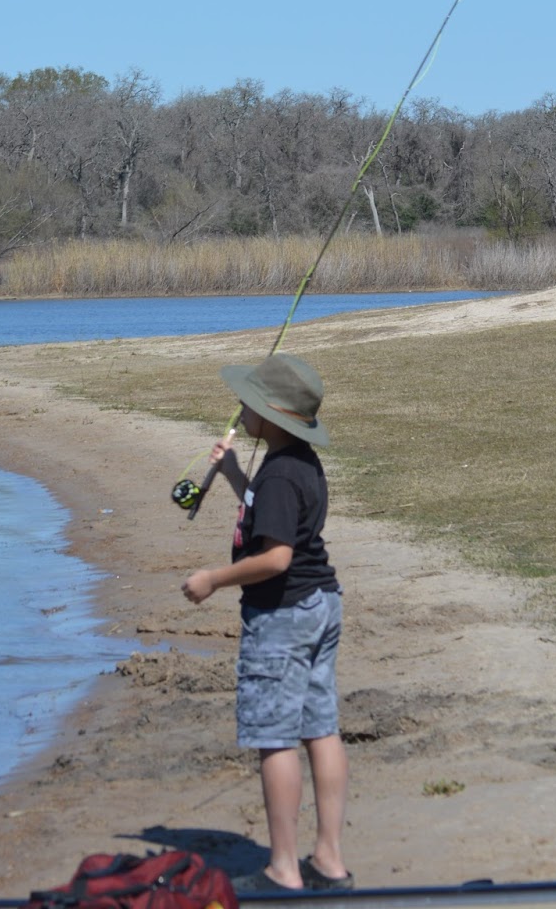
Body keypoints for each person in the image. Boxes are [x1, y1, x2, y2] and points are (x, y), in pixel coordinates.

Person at [182, 353, 351, 896]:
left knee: (275, 738)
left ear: (272, 417)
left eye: (250, 404)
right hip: (321, 603)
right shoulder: (297, 463)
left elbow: (276, 556)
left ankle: (283, 869)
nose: (241, 410)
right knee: (319, 728)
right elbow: (272, 517)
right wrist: (234, 474)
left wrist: (213, 578)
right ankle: (329, 859)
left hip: (283, 615)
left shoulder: (279, 475)